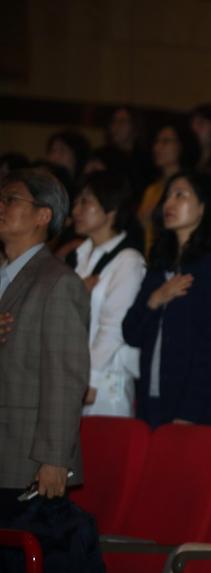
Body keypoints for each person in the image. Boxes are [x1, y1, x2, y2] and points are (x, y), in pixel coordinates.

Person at [0, 169, 89, 514]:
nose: (1, 206)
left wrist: (54, 458)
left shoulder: (57, 282)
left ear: (43, 215)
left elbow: (65, 377)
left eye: (11, 199)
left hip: (22, 455)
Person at [123, 171, 211, 429]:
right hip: (152, 398)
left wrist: (189, 412)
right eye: (167, 197)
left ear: (203, 208)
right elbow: (130, 332)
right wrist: (155, 299)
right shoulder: (159, 265)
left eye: (180, 195)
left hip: (196, 408)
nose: (169, 204)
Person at [72, 171, 146, 417]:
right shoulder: (80, 255)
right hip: (73, 375)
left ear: (111, 210)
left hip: (105, 380)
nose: (76, 210)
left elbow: (113, 326)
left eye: (86, 202)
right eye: (77, 201)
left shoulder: (129, 261)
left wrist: (90, 378)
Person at [138, 122, 200, 254]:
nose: (157, 147)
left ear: (181, 146)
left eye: (166, 141)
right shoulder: (152, 189)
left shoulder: (193, 185)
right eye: (156, 142)